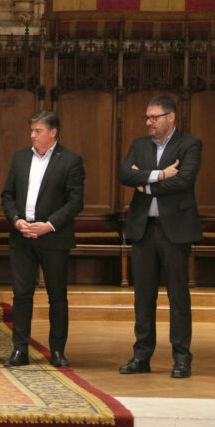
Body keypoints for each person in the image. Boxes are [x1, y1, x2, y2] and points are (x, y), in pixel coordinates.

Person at [118, 95, 202, 379]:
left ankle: (182, 358)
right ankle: (142, 355)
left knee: (178, 297)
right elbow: (124, 175)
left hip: (175, 230)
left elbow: (184, 180)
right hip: (143, 229)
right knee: (143, 297)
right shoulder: (139, 145)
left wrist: (146, 184)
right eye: (147, 117)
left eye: (154, 117)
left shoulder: (190, 144)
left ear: (171, 117)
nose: (149, 122)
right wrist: (160, 175)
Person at [1, 110, 85, 368]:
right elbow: (7, 195)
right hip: (22, 236)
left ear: (53, 132)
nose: (32, 135)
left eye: (38, 131)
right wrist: (16, 220)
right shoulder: (20, 158)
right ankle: (20, 350)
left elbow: (75, 202)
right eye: (31, 130)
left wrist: (48, 225)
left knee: (57, 295)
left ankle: (57, 350)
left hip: (53, 238)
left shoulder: (70, 160)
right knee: (21, 295)